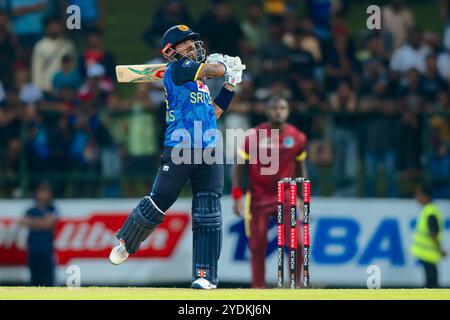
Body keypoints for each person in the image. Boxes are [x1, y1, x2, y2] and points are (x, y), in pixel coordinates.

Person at [109, 25, 245, 290]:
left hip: (209, 149)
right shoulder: (177, 70)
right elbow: (211, 69)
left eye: (194, 41)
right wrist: (224, 66)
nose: (193, 46)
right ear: (172, 51)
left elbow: (213, 113)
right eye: (186, 43)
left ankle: (205, 276)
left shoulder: (200, 83)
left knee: (208, 212)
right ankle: (126, 241)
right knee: (159, 201)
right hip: (181, 148)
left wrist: (230, 84)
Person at [231, 96, 308, 288]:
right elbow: (238, 166)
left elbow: (301, 168)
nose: (278, 111)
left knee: (297, 243)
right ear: (267, 112)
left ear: (288, 111)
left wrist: (301, 196)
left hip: (286, 195)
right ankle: (258, 288)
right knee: (257, 246)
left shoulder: (298, 137)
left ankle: (296, 286)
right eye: (274, 108)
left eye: (282, 107)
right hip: (258, 197)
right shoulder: (253, 135)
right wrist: (237, 196)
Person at [18, 182, 58, 286]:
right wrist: (41, 222)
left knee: (48, 283)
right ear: (37, 194)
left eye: (46, 192)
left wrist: (32, 223)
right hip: (33, 251)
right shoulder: (30, 210)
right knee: (34, 282)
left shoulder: (52, 209)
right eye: (42, 192)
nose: (44, 195)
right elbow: (22, 222)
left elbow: (49, 224)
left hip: (46, 251)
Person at [410, 184, 447, 288]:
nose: (416, 197)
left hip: (429, 254)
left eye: (418, 194)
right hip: (427, 254)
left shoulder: (430, 212)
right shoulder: (428, 211)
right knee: (431, 284)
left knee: (431, 285)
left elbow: (433, 234)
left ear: (426, 196)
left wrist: (440, 250)